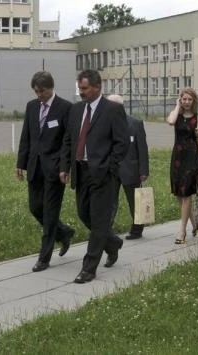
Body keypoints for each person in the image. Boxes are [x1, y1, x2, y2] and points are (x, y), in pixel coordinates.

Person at [59, 69, 129, 283]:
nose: (81, 92)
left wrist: (109, 166)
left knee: (99, 221)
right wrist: (65, 167)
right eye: (79, 88)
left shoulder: (113, 110)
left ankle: (89, 268)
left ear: (98, 87)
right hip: (81, 171)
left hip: (103, 173)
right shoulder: (76, 110)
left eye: (85, 88)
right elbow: (69, 140)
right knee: (83, 214)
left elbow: (122, 143)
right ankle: (112, 243)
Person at [16, 71, 75, 272]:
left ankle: (44, 257)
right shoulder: (32, 107)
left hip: (54, 170)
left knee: (50, 214)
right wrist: (20, 163)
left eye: (41, 91)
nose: (38, 95)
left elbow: (68, 141)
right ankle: (64, 232)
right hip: (34, 166)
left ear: (50, 88)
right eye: (35, 91)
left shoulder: (65, 107)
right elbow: (26, 136)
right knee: (35, 208)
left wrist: (64, 167)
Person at [167, 87, 198, 244]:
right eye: (184, 99)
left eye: (189, 99)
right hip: (177, 157)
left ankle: (182, 232)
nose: (186, 102)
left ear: (194, 101)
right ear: (180, 99)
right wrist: (177, 106)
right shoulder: (176, 116)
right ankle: (193, 223)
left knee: (185, 194)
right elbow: (170, 121)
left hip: (192, 157)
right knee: (179, 193)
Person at [108, 94, 149, 240]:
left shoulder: (135, 123)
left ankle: (137, 230)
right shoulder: (104, 124)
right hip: (110, 170)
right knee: (109, 202)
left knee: (135, 202)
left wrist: (144, 170)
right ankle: (106, 231)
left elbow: (142, 148)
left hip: (131, 170)